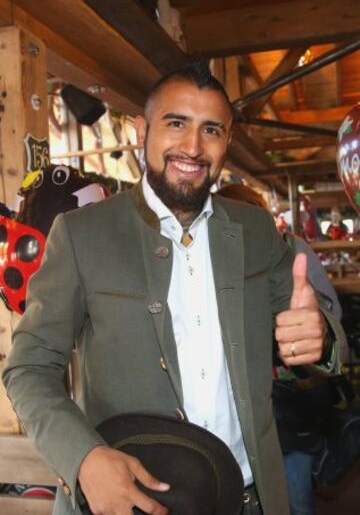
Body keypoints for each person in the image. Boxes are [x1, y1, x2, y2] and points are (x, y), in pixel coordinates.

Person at [2, 61, 346, 515]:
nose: (192, 146)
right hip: (131, 502)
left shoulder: (255, 229)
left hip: (248, 498)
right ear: (143, 129)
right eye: (176, 123)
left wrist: (318, 335)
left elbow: (318, 334)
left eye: (212, 130)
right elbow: (28, 369)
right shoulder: (82, 234)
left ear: (227, 141)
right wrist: (84, 457)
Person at [217, 183, 347, 515]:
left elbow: (332, 315)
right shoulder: (210, 259)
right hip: (237, 408)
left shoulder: (291, 248)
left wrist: (310, 323)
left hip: (289, 400)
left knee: (294, 496)